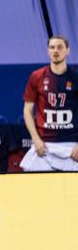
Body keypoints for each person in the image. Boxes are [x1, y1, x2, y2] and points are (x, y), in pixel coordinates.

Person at [21, 35, 78, 171]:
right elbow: (27, 110)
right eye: (52, 47)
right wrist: (35, 139)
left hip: (72, 143)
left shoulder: (76, 77)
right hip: (44, 143)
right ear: (48, 50)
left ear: (68, 50)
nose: (55, 51)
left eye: (60, 47)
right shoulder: (37, 76)